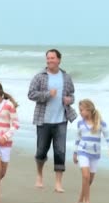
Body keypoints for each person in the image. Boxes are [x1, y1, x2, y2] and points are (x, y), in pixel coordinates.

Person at [27, 49, 77, 192]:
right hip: (43, 120)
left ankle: (58, 183)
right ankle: (39, 175)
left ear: (59, 60)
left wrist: (70, 100)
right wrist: (48, 94)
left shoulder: (66, 77)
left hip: (61, 119)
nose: (49, 60)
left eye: (52, 58)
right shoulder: (39, 77)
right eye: (48, 58)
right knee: (41, 151)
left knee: (60, 151)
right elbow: (31, 94)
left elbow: (72, 95)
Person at [73, 99, 109, 203]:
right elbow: (77, 139)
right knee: (85, 176)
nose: (80, 112)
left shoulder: (100, 123)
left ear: (89, 110)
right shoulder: (80, 124)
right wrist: (75, 153)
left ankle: (81, 198)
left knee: (89, 180)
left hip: (95, 154)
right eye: (80, 110)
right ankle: (87, 201)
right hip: (83, 152)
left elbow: (108, 136)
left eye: (82, 110)